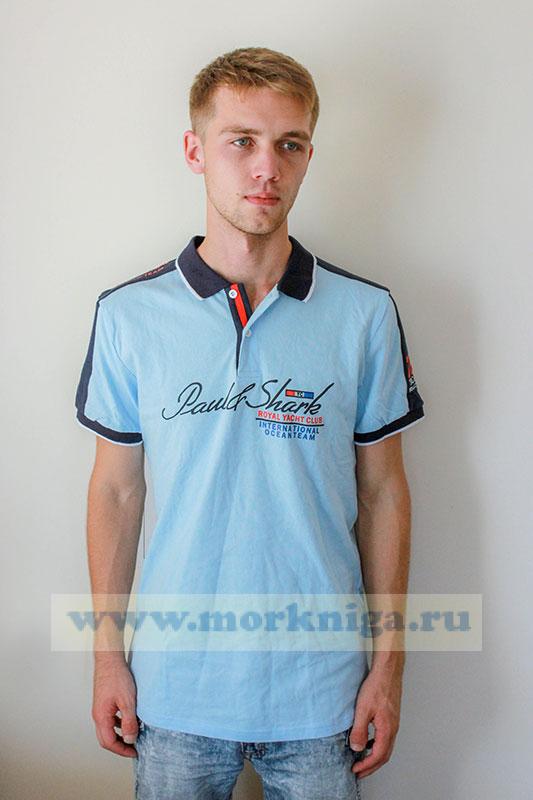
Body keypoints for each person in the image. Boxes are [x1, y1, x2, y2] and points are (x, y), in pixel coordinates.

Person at [75, 46, 425, 800]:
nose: (266, 167)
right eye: (241, 141)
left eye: (289, 145)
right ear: (195, 150)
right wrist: (107, 657)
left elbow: (383, 495)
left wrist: (388, 666)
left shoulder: (364, 313)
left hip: (324, 697)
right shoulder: (129, 315)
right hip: (172, 692)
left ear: (308, 157)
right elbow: (115, 494)